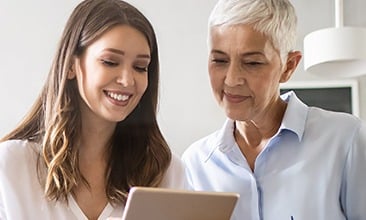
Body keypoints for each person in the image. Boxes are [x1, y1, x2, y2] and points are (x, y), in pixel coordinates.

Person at [0, 0, 186, 219]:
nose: (127, 80)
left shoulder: (166, 172)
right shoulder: (12, 166)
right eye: (110, 62)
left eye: (140, 67)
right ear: (71, 66)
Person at [182, 0, 366, 219]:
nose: (231, 80)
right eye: (219, 60)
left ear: (288, 67)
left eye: (252, 63)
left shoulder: (346, 140)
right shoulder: (196, 163)